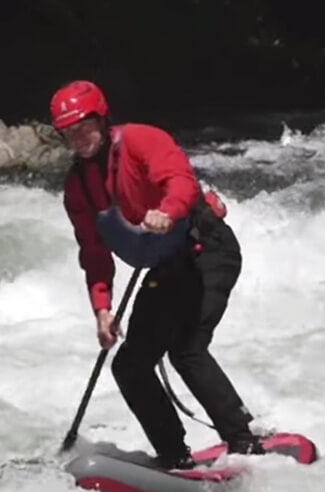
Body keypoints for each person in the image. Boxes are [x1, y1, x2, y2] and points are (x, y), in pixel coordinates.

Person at [49, 79, 265, 469]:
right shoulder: (78, 187)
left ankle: (244, 443)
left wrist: (168, 210)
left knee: (186, 349)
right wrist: (102, 309)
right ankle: (174, 457)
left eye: (84, 126)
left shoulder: (141, 140)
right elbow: (95, 254)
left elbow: (180, 179)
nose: (78, 138)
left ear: (102, 118)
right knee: (129, 364)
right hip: (164, 268)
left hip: (207, 251)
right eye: (68, 133)